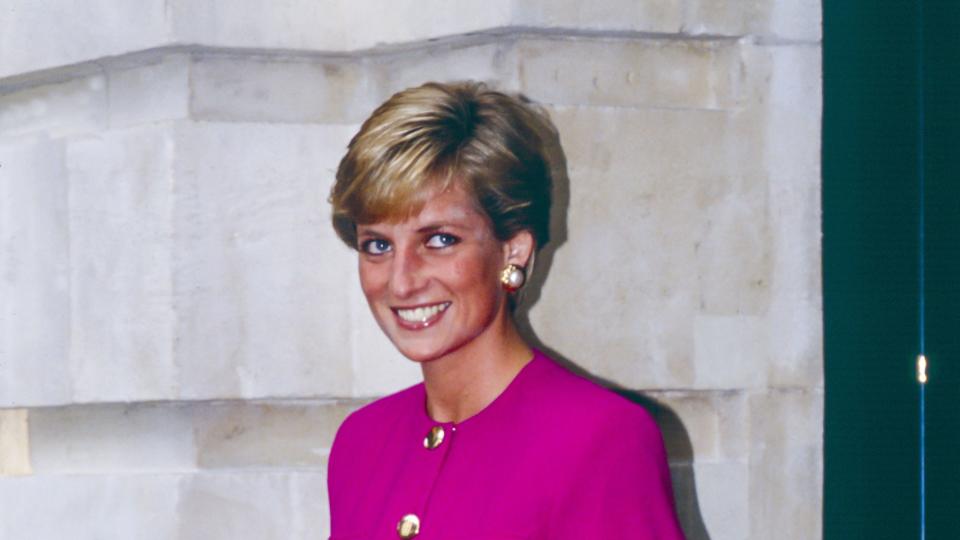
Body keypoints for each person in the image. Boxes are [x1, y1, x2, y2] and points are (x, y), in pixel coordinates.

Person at [326, 81, 685, 539]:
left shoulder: (600, 439)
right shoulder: (363, 444)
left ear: (512, 250)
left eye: (439, 240)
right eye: (377, 245)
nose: (401, 281)